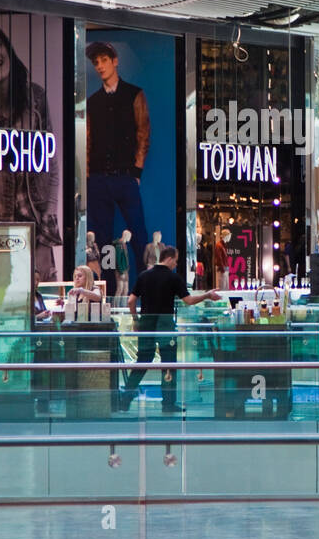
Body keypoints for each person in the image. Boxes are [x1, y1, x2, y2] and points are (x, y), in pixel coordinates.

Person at [0, 19, 63, 280]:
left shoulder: (35, 97)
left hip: (35, 227)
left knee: (43, 301)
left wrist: (48, 223)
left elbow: (51, 166)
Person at [119, 247, 222, 413]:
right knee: (168, 364)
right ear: (169, 258)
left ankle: (125, 398)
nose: (176, 263)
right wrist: (207, 295)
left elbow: (131, 301)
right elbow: (188, 300)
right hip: (166, 325)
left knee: (142, 361)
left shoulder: (144, 276)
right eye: (176, 260)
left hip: (147, 324)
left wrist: (136, 320)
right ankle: (168, 404)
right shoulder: (174, 278)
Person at [86, 40, 150, 293]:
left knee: (139, 235)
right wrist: (90, 173)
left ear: (115, 61)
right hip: (99, 177)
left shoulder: (134, 94)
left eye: (103, 60)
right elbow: (88, 139)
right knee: (102, 239)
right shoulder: (92, 101)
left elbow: (143, 132)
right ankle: (109, 292)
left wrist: (136, 170)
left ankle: (146, 288)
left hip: (125, 175)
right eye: (96, 62)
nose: (100, 66)